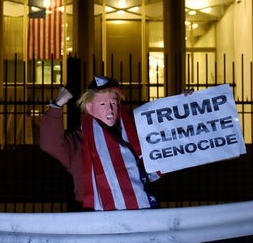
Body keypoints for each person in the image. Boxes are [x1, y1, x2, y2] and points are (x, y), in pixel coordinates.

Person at [39, 76, 161, 211]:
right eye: (102, 104)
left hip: (137, 208)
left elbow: (167, 142)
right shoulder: (80, 140)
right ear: (90, 108)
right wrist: (57, 105)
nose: (110, 109)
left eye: (113, 103)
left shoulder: (131, 131)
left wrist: (187, 102)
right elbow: (50, 144)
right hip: (93, 213)